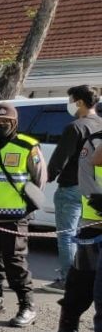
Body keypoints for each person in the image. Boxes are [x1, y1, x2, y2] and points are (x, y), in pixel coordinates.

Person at [0, 102, 46, 327]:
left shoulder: (27, 146)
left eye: (5, 122)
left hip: (13, 216)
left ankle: (27, 306)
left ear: (14, 123)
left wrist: (26, 206)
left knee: (15, 262)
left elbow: (39, 179)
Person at [47, 85, 102, 289]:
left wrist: (47, 177)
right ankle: (87, 277)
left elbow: (59, 160)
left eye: (70, 100)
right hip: (95, 190)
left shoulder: (76, 126)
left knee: (67, 236)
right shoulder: (100, 125)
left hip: (71, 187)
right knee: (89, 236)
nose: (69, 104)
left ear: (78, 102)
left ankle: (67, 279)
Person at [56, 127, 102, 332]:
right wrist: (98, 200)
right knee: (82, 282)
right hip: (95, 225)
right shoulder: (95, 142)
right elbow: (84, 179)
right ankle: (68, 325)